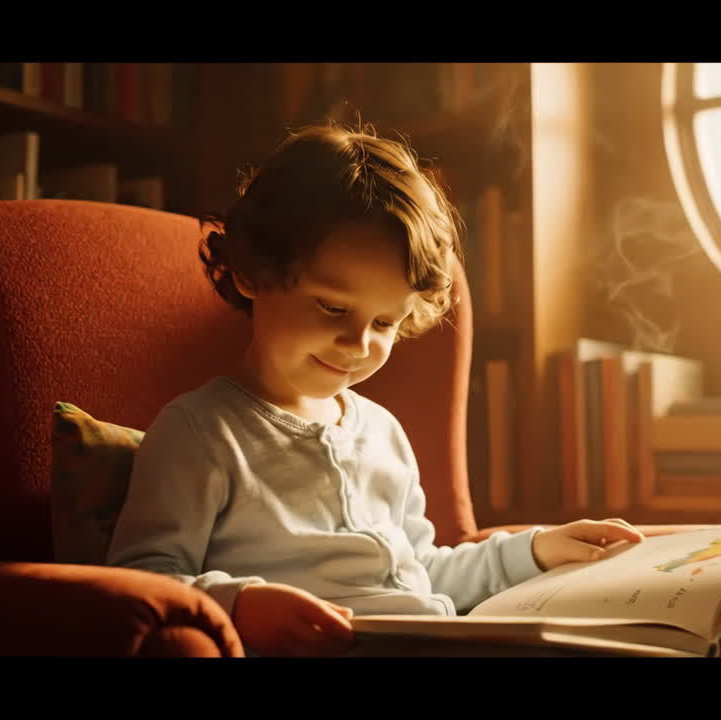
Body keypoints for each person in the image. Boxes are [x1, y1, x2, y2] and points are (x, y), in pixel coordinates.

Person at [105, 123, 644, 657]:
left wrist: (537, 551)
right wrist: (241, 604)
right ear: (252, 272)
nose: (357, 343)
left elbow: (423, 572)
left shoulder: (382, 431)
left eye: (385, 322)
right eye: (333, 308)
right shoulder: (200, 433)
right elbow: (141, 581)